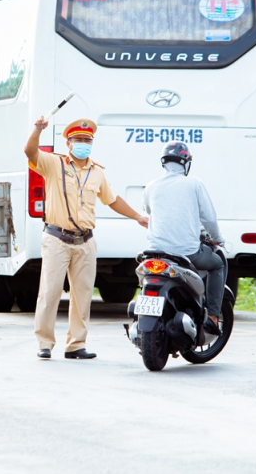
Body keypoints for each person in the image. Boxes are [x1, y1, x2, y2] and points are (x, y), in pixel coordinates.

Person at [24, 116, 149, 360]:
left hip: (85, 241)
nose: (83, 143)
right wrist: (37, 130)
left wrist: (137, 216)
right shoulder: (54, 163)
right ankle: (45, 343)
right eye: (78, 140)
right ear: (68, 143)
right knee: (50, 293)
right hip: (57, 238)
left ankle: (76, 345)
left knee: (82, 296)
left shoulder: (97, 172)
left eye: (87, 140)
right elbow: (30, 151)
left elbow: (112, 199)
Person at [143, 141, 226, 334]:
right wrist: (217, 238)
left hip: (155, 254)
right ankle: (213, 317)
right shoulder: (194, 183)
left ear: (164, 162)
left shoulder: (151, 186)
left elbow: (148, 210)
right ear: (186, 162)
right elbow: (209, 218)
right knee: (218, 264)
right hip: (187, 253)